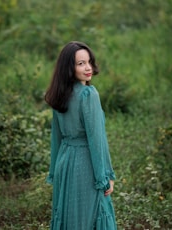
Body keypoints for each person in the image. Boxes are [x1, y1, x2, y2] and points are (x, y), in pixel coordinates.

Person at [45, 41, 117, 230]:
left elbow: (57, 139)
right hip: (85, 165)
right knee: (93, 216)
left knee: (69, 218)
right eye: (80, 64)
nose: (88, 68)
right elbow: (97, 139)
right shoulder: (88, 94)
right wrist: (105, 176)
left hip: (64, 162)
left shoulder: (59, 94)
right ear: (69, 68)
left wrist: (55, 170)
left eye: (89, 62)